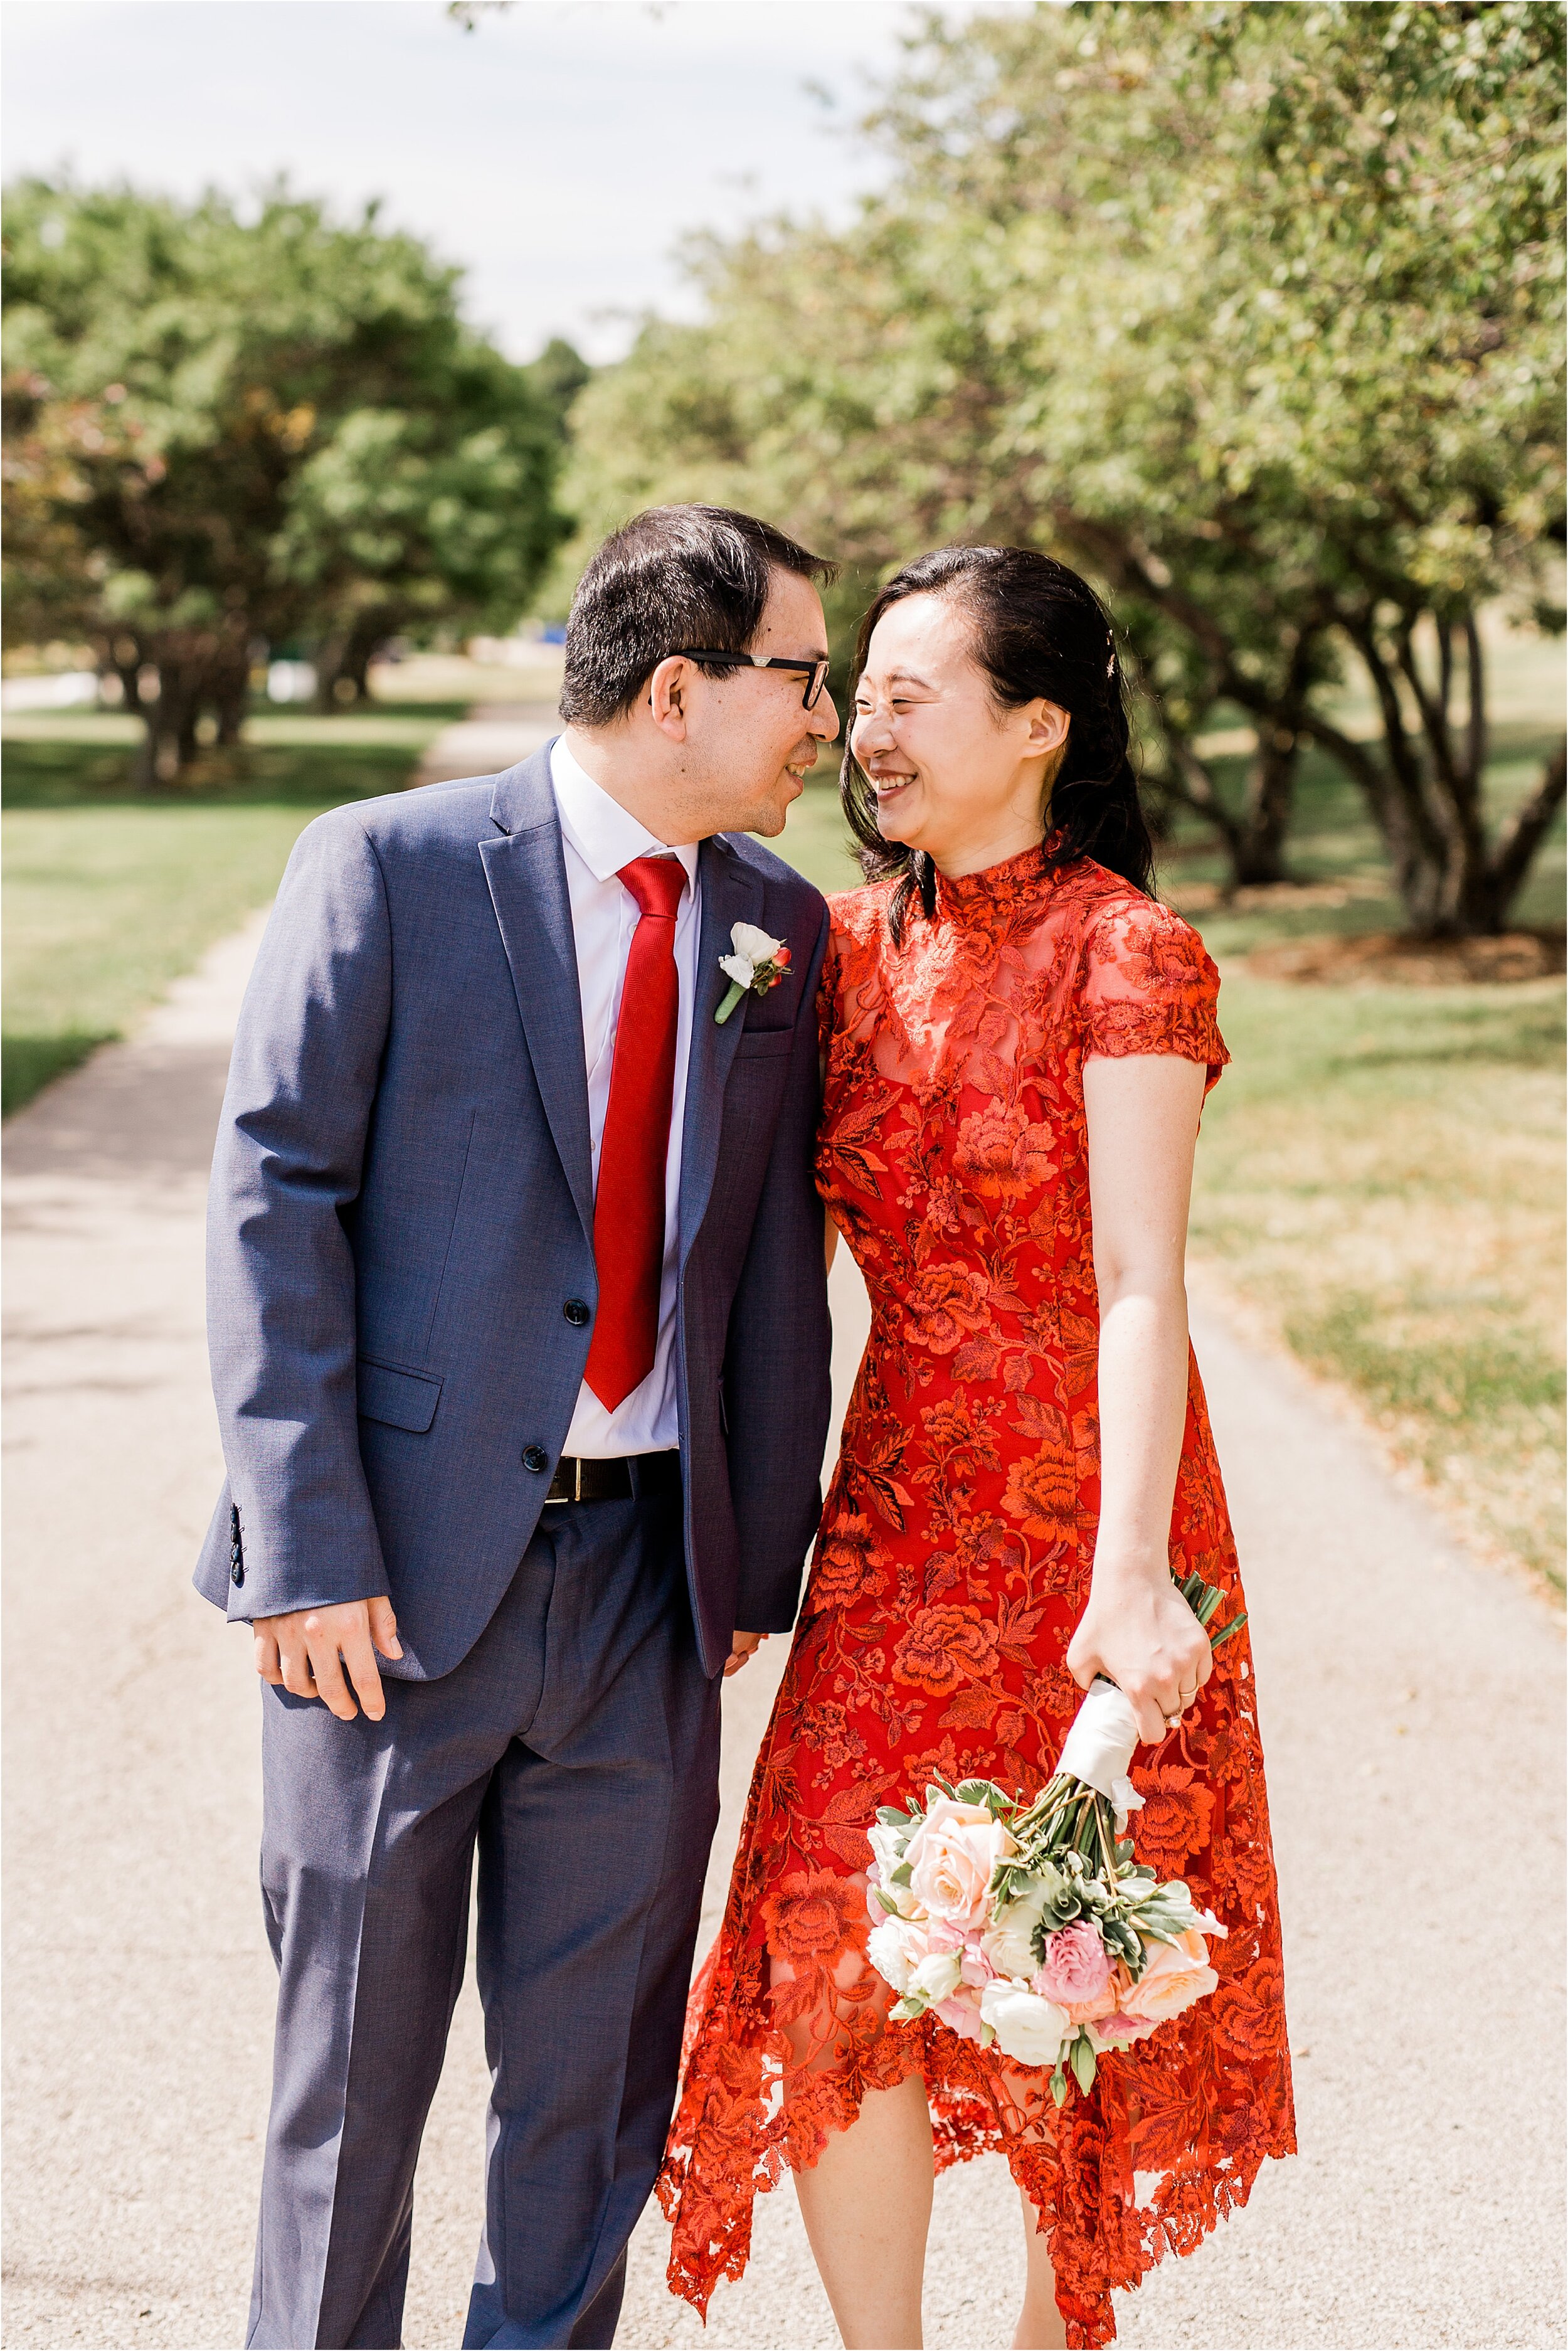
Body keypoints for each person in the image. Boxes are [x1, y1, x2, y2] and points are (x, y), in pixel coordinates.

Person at [194, 504, 839, 2348]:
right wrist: (302, 1545)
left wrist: (749, 1558)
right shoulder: (385, 867)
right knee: (350, 2090)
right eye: (797, 676)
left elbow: (771, 1262)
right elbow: (274, 1202)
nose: (820, 718)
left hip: (647, 1587)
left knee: (587, 2098)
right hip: (382, 1591)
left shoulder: (774, 926)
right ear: (672, 689)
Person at [659, 546, 1295, 2351]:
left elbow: (1134, 1281)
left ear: (1037, 722)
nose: (864, 725)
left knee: (1073, 1951)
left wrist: (1122, 1577)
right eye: (853, 692)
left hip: (1095, 1528)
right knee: (829, 1938)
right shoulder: (833, 945)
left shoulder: (1126, 950)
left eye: (907, 691)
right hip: (893, 1526)